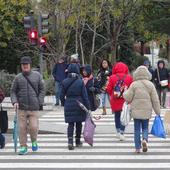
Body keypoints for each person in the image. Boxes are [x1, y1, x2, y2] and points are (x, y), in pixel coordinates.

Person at [11, 56, 45, 155]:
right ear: (21, 66)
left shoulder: (37, 76)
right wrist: (14, 102)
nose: (25, 66)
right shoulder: (18, 77)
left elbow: (42, 89)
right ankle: (23, 147)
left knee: (33, 127)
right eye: (23, 65)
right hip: (21, 108)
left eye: (26, 64)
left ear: (30, 65)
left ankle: (34, 141)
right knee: (22, 128)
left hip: (34, 108)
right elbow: (13, 91)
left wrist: (39, 101)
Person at [123, 66, 160, 153]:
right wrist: (158, 111)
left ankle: (137, 148)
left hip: (136, 111)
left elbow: (128, 97)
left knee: (136, 129)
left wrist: (124, 92)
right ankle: (145, 139)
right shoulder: (150, 85)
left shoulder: (134, 84)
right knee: (145, 128)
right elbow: (155, 99)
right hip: (146, 111)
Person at [60, 63, 90, 150]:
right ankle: (77, 141)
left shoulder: (64, 82)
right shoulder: (80, 82)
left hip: (69, 103)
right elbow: (85, 96)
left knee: (70, 124)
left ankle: (70, 141)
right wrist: (88, 107)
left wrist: (64, 103)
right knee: (79, 123)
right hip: (79, 104)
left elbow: (61, 96)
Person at [106, 62, 133, 141]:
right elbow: (131, 90)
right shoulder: (129, 78)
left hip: (115, 100)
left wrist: (112, 94)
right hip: (125, 100)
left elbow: (108, 89)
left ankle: (118, 131)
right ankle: (122, 132)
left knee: (117, 116)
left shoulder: (112, 77)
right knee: (124, 116)